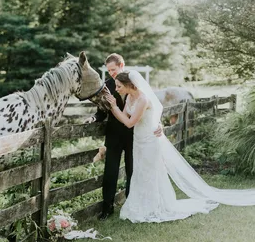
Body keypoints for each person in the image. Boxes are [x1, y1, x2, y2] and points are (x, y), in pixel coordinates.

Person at [105, 70, 255, 223]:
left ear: (129, 85)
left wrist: (114, 107)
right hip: (139, 140)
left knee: (151, 173)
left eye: (118, 86)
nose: (116, 89)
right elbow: (125, 116)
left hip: (150, 140)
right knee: (140, 172)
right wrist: (115, 107)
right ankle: (140, 205)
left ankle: (155, 206)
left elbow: (129, 123)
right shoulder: (129, 97)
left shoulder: (143, 99)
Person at [84, 53, 162, 221]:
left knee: (132, 170)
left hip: (134, 134)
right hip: (113, 135)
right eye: (109, 70)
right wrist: (93, 118)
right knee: (110, 171)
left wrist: (158, 124)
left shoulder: (137, 84)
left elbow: (151, 105)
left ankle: (131, 203)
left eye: (113, 69)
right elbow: (101, 111)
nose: (111, 73)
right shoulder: (106, 86)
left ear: (122, 65)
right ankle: (107, 207)